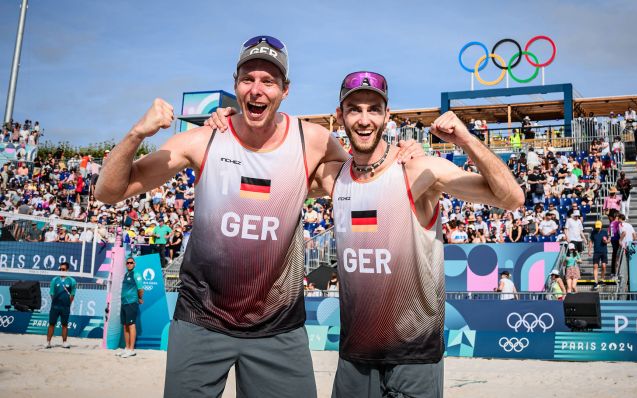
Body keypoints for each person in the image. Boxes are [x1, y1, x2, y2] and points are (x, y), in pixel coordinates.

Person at [98, 35, 421, 397]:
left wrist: (401, 151)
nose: (257, 89)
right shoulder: (204, 139)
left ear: (285, 90)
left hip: (278, 329)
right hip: (202, 321)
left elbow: (364, 176)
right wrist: (136, 133)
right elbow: (108, 191)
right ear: (235, 85)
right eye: (248, 79)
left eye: (268, 81)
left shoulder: (309, 140)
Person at [310, 71, 523, 397]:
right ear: (340, 115)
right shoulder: (334, 177)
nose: (364, 119)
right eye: (354, 109)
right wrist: (223, 128)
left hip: (415, 354)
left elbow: (512, 198)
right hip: (355, 356)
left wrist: (466, 139)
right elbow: (269, 168)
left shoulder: (418, 170)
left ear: (387, 116)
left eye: (373, 109)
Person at [116, 257, 143, 358]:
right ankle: (126, 348)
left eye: (131, 263)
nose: (129, 264)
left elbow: (140, 289)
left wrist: (140, 298)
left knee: (131, 325)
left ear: (134, 264)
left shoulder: (136, 274)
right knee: (125, 325)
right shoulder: (126, 274)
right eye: (127, 263)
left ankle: (131, 349)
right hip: (124, 303)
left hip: (131, 302)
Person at [45, 262, 77, 349]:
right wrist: (56, 302)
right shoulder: (54, 280)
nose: (61, 271)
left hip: (65, 307)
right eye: (60, 269)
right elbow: (51, 293)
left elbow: (72, 294)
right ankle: (48, 342)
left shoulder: (72, 281)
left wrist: (67, 303)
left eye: (63, 269)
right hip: (55, 306)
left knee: (65, 325)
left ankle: (64, 342)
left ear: (67, 270)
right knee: (51, 324)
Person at [589, 220, 609, 290]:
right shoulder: (593, 232)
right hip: (596, 251)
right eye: (597, 227)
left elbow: (608, 240)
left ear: (601, 226)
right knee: (595, 266)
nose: (598, 228)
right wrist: (589, 250)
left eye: (599, 227)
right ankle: (595, 282)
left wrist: (605, 241)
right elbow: (591, 241)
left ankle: (602, 279)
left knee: (603, 266)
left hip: (603, 251)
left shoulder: (604, 232)